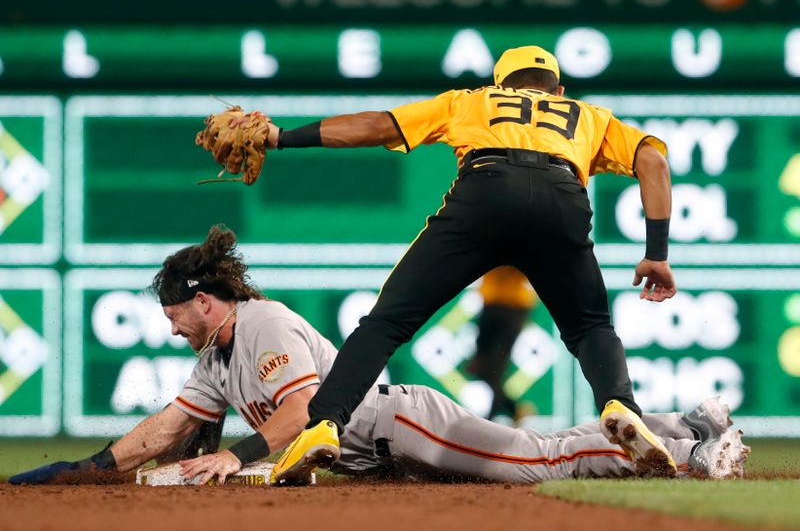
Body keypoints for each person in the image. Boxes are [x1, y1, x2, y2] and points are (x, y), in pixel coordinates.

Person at [204, 45, 679, 480]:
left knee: (386, 323)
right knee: (591, 329)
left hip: (486, 190)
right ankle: (621, 406)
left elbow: (377, 125)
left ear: (500, 86)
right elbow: (653, 162)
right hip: (562, 199)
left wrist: (283, 136)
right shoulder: (588, 117)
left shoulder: (472, 101)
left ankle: (324, 425)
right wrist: (656, 254)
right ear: (558, 91)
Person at [8, 226, 749, 486]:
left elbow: (301, 412)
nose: (169, 325)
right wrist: (73, 472)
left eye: (173, 310)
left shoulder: (260, 324)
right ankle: (683, 425)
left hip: (394, 424)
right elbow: (164, 430)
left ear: (205, 300)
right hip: (384, 450)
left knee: (538, 459)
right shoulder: (215, 358)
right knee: (536, 451)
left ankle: (691, 450)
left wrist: (235, 456)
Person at [468, 266, 538, 423]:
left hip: (513, 307)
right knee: (480, 367)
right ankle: (513, 410)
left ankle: (490, 421)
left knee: (494, 369)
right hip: (491, 305)